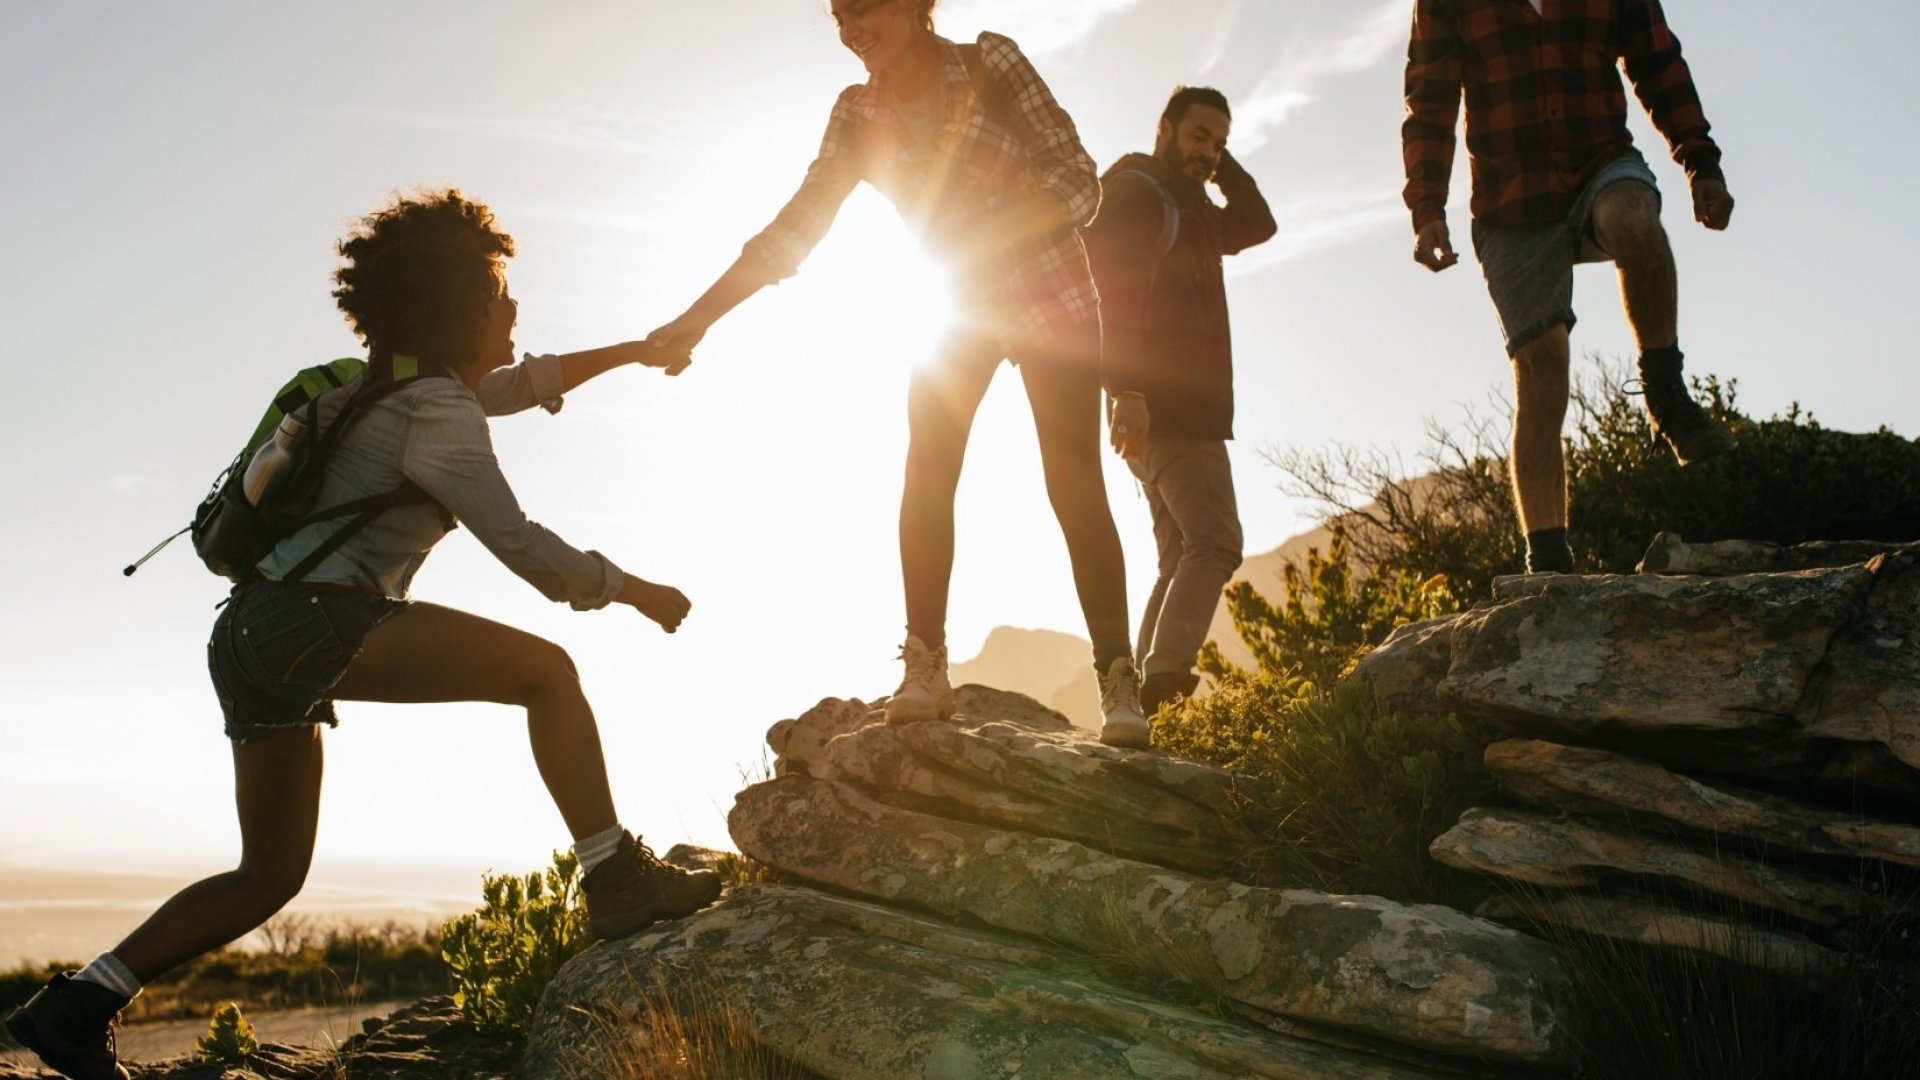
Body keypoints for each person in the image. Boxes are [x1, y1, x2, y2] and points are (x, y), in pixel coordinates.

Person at [4, 190, 719, 1080]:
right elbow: (523, 547)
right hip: (319, 623)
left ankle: (77, 1004)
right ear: (461, 308)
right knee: (548, 671)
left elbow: (515, 386)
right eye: (500, 296)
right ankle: (614, 877)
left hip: (250, 635)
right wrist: (632, 589)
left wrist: (637, 352)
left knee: (267, 876)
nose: (514, 310)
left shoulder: (367, 385)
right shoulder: (436, 411)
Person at [645, 0, 1149, 744]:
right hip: (956, 308)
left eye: (867, 7)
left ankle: (1117, 679)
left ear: (916, 5)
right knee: (928, 469)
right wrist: (698, 317)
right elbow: (797, 227)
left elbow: (1078, 180)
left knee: (1072, 478)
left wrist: (988, 232)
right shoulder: (857, 113)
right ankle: (926, 664)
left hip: (1051, 295)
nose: (852, 27)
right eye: (840, 15)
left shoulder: (990, 63)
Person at [1402, 0, 1737, 574]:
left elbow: (1658, 62)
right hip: (1513, 201)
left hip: (1600, 165)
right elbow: (1430, 100)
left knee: (1634, 218)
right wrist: (1426, 204)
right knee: (1541, 367)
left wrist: (1699, 160)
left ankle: (1664, 390)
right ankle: (1550, 563)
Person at [1084, 87, 1275, 715]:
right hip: (1164, 404)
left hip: (1165, 407)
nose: (1209, 152)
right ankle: (1164, 684)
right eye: (1198, 136)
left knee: (1179, 556)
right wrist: (1128, 390)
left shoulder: (1193, 208)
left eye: (1219, 142)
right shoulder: (1142, 193)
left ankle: (1138, 696)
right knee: (1216, 542)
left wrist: (1222, 165)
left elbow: (1259, 223)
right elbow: (1115, 291)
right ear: (1165, 128)